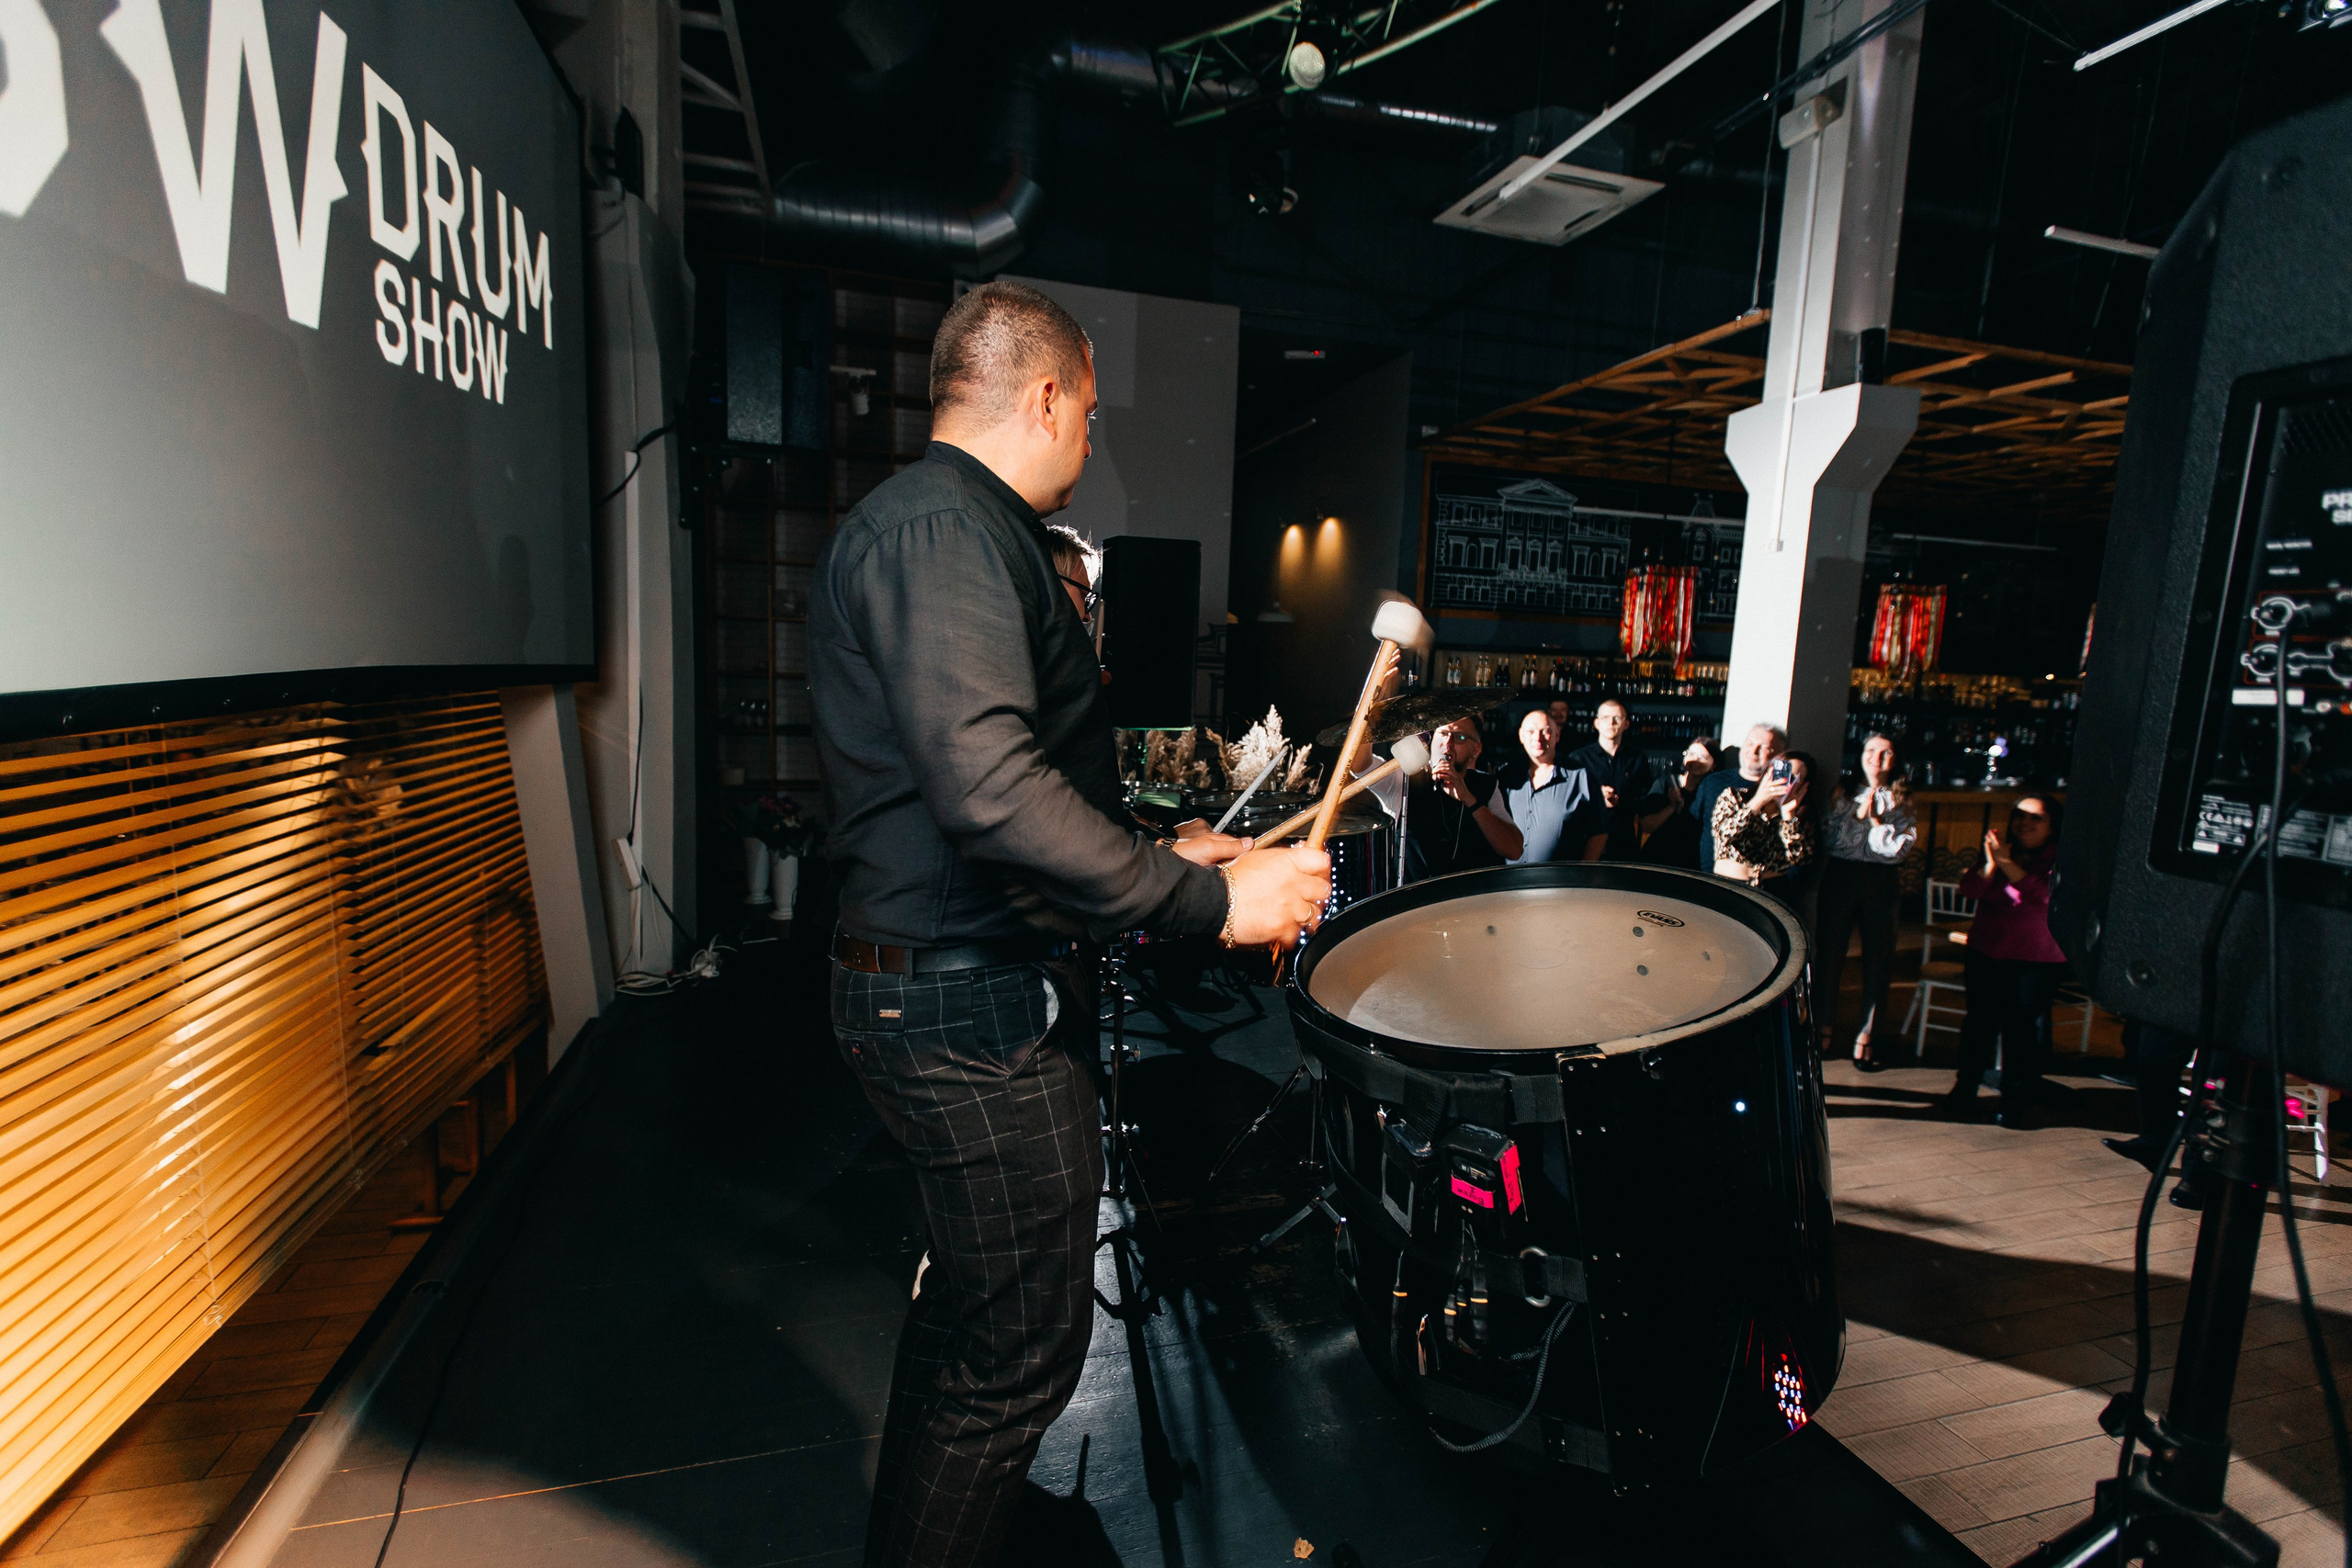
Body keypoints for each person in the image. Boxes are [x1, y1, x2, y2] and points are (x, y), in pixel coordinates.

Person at [808, 281, 1331, 1568]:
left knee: (977, 1328)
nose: (1090, 439)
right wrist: (1212, 900)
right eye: (1089, 415)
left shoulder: (949, 529)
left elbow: (1004, 791)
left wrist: (1167, 847)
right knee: (1019, 1356)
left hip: (951, 988)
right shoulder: (941, 532)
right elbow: (990, 791)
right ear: (1042, 397)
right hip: (961, 1010)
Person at [1943, 795, 2069, 1128]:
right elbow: (1970, 889)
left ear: (2052, 825)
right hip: (1986, 951)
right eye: (2020, 816)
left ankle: (2013, 1102)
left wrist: (2007, 863)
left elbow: (2045, 896)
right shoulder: (2002, 851)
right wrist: (1991, 863)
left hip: (2035, 959)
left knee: (2020, 1031)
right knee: (1978, 1024)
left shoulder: (2063, 858)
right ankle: (1965, 1089)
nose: (2024, 823)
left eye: (2035, 818)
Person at [1815, 734, 1917, 1069]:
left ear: (1895, 759)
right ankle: (1823, 1030)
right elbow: (1831, 841)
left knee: (1879, 959)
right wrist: (1861, 815)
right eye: (1871, 750)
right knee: (1830, 954)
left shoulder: (1904, 799)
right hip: (1840, 877)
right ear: (1860, 756)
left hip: (1882, 883)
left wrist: (1874, 821)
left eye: (1885, 752)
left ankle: (1868, 1036)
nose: (1877, 757)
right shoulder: (1841, 793)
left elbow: (1897, 852)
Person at [1505, 708, 1608, 864]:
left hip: (1560, 883)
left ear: (1557, 735)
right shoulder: (1506, 776)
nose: (1537, 739)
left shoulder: (1580, 776)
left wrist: (1584, 872)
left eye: (1545, 731)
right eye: (1531, 731)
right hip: (1509, 882)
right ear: (1521, 736)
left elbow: (1599, 833)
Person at [1564, 697, 1654, 858]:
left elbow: (1646, 801)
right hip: (1586, 842)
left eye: (1617, 718)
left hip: (1624, 843)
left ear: (1626, 724)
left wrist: (1621, 801)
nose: (1611, 723)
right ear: (1596, 723)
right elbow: (1567, 801)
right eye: (1605, 718)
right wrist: (1597, 797)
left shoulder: (1637, 758)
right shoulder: (1579, 758)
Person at [1712, 746, 1811, 889]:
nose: (1784, 781)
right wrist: (1758, 801)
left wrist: (1788, 817)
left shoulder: (1800, 815)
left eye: (1793, 778)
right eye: (1780, 773)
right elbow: (1725, 835)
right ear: (1768, 771)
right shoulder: (1735, 797)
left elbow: (1800, 860)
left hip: (1772, 888)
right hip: (1729, 884)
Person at [1690, 724, 1782, 869]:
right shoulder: (1713, 782)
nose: (1753, 751)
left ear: (1779, 755)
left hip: (1753, 887)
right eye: (1750, 743)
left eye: (1764, 747)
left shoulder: (1780, 791)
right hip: (1706, 879)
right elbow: (1692, 829)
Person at [1634, 737, 1720, 866]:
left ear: (1714, 764)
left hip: (1692, 862)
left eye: (1702, 757)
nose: (1694, 759)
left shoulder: (1712, 791)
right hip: (1658, 858)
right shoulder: (1665, 783)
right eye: (1690, 754)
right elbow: (1647, 826)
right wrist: (1672, 807)